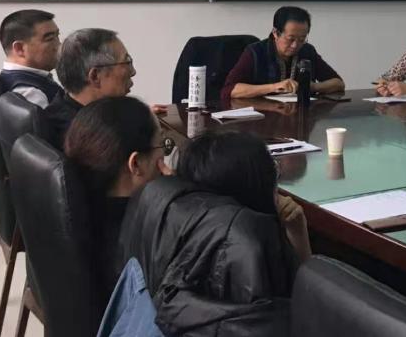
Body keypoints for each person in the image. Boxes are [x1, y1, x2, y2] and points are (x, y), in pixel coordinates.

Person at [118, 131, 309, 336]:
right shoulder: (248, 246)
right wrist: (298, 233)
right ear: (257, 186)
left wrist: (296, 229)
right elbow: (306, 304)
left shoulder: (169, 214)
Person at [63, 96, 171, 302]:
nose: (164, 156)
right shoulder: (151, 238)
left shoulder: (80, 211)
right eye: (162, 146)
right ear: (135, 164)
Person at [221, 6, 344, 102]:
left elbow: (338, 83)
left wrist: (311, 87)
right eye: (290, 39)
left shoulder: (307, 51)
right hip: (262, 118)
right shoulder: (255, 52)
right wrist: (274, 87)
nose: (295, 45)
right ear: (275, 33)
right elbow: (230, 90)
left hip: (299, 117)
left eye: (302, 39)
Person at [46, 28, 137, 149]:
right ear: (95, 76)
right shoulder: (91, 141)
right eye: (127, 62)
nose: (133, 72)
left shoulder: (64, 106)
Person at [0, 9, 62, 108]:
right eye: (50, 39)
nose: (59, 45)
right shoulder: (31, 95)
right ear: (19, 48)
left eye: (57, 36)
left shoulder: (14, 79)